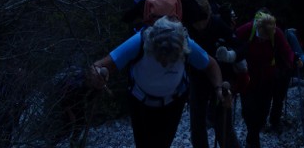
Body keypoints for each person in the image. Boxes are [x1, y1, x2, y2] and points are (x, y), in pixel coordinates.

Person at [91, 16, 230, 148]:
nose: (165, 63)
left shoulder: (185, 43)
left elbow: (211, 65)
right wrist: (96, 73)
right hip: (139, 102)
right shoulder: (139, 41)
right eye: (161, 57)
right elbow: (101, 65)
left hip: (173, 103)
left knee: (162, 144)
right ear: (150, 45)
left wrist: (218, 89)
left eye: (172, 59)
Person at [187, 0, 243, 148]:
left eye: (201, 21)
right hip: (197, 79)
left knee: (223, 124)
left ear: (209, 14)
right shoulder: (187, 26)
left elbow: (241, 47)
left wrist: (231, 55)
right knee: (197, 125)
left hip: (223, 78)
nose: (198, 25)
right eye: (194, 21)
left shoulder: (219, 24)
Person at [235, 10, 295, 148]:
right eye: (261, 37)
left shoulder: (276, 32)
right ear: (258, 28)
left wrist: (294, 60)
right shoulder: (248, 29)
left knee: (263, 111)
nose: (263, 40)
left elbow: (287, 51)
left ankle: (254, 134)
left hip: (267, 77)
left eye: (266, 39)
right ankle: (253, 140)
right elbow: (232, 40)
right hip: (247, 75)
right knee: (248, 109)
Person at [267, 26, 304, 132]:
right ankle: (274, 122)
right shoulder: (290, 36)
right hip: (283, 70)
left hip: (277, 70)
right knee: (278, 98)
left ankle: (269, 122)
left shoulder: (280, 35)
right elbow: (297, 53)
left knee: (274, 98)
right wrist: (303, 61)